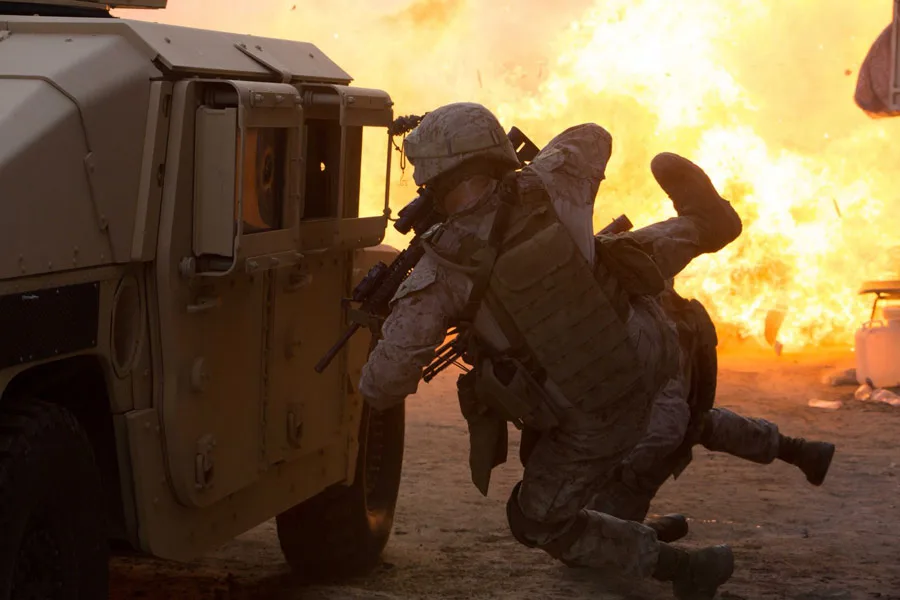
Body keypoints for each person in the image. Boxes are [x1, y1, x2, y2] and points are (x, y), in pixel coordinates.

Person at [358, 101, 742, 599]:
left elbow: (382, 385)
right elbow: (594, 134)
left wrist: (390, 322)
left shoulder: (441, 271)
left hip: (595, 413)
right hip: (652, 349)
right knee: (608, 255)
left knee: (534, 519)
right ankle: (703, 226)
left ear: (432, 182)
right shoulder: (552, 182)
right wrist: (531, 168)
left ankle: (681, 567)